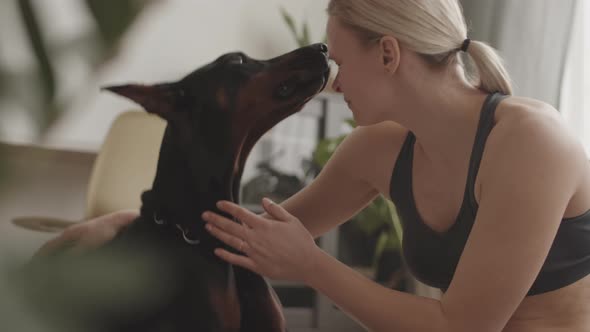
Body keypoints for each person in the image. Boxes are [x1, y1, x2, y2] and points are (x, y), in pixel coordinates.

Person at [39, 0, 590, 331]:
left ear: (390, 55)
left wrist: (313, 267)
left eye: (342, 62)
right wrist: (121, 226)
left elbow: (464, 327)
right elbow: (248, 237)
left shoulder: (530, 143)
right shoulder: (376, 150)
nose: (335, 82)